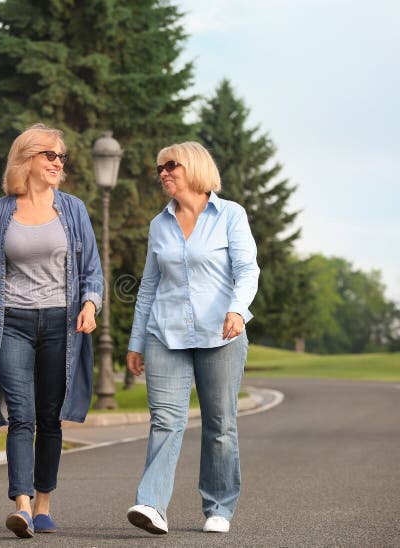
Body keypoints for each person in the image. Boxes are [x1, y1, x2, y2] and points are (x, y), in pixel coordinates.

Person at [0, 123, 103, 539]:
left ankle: (43, 503)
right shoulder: (1, 211)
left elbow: (92, 269)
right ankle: (21, 504)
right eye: (50, 156)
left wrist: (91, 305)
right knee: (20, 415)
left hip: (62, 323)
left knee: (49, 418)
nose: (59, 163)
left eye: (62, 157)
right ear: (27, 159)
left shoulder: (73, 209)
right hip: (13, 324)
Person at [125, 141, 259, 535]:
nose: (163, 173)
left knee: (220, 424)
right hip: (165, 335)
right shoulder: (159, 224)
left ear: (195, 168)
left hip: (221, 334)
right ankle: (152, 505)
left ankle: (218, 506)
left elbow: (247, 270)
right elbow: (148, 288)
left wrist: (237, 309)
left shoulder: (230, 215)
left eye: (171, 165)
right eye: (159, 168)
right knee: (165, 421)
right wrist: (136, 342)